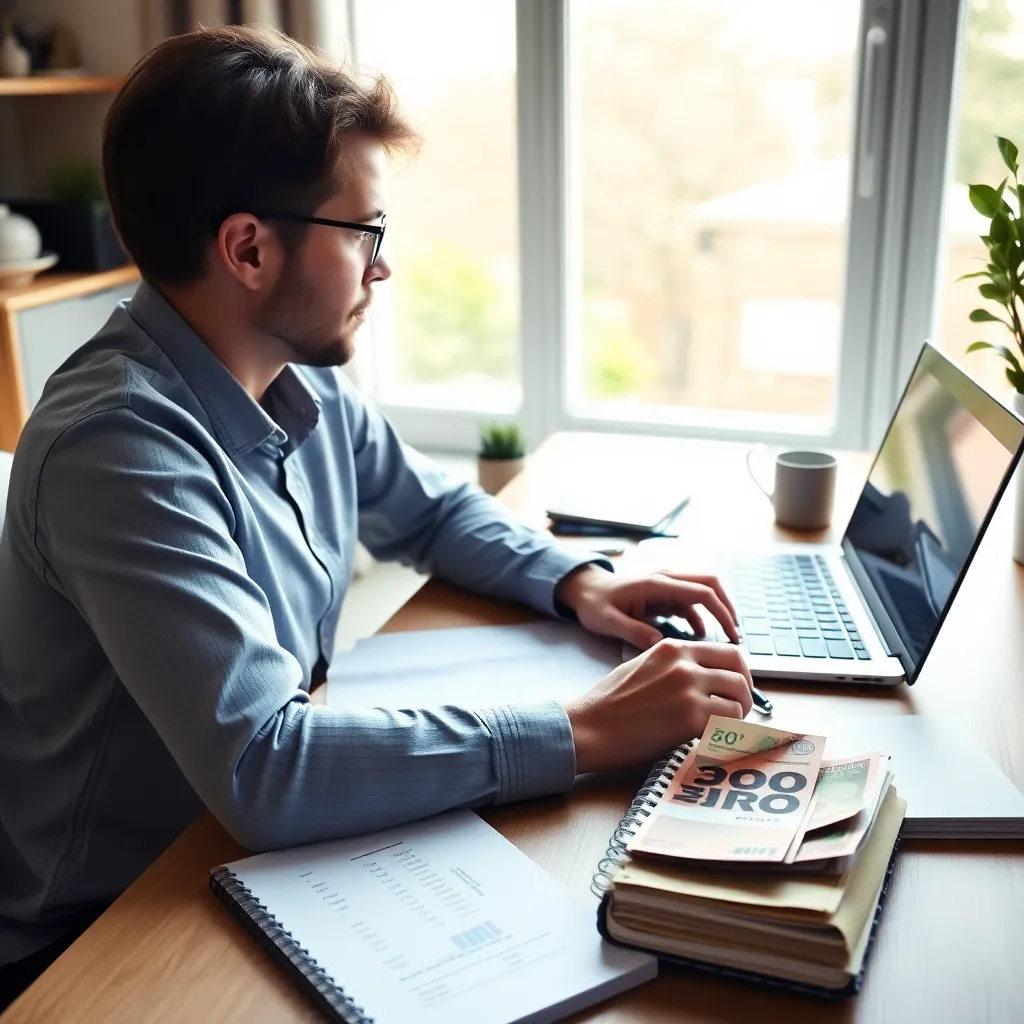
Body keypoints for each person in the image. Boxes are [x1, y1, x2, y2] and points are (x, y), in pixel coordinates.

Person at [0, 25, 752, 1006]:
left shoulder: (286, 373)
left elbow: (429, 511)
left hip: (233, 866)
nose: (382, 270)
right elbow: (265, 768)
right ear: (249, 247)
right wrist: (580, 730)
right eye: (366, 234)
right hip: (100, 936)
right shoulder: (119, 446)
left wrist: (578, 580)